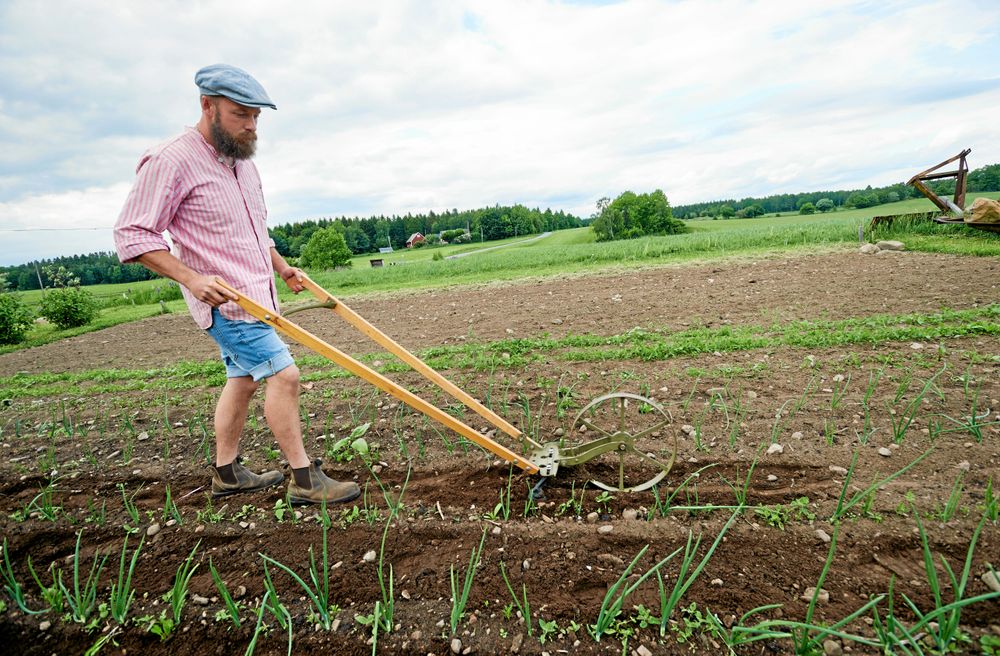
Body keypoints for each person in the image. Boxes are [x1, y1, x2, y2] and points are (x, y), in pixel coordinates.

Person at [114, 64, 360, 505]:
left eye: (256, 118)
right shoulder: (170, 160)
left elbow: (253, 231)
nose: (250, 126)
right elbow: (133, 235)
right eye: (240, 115)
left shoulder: (243, 165)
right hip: (227, 305)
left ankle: (227, 473)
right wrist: (191, 278)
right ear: (207, 106)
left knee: (243, 380)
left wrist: (283, 268)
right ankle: (305, 482)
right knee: (285, 376)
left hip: (261, 297)